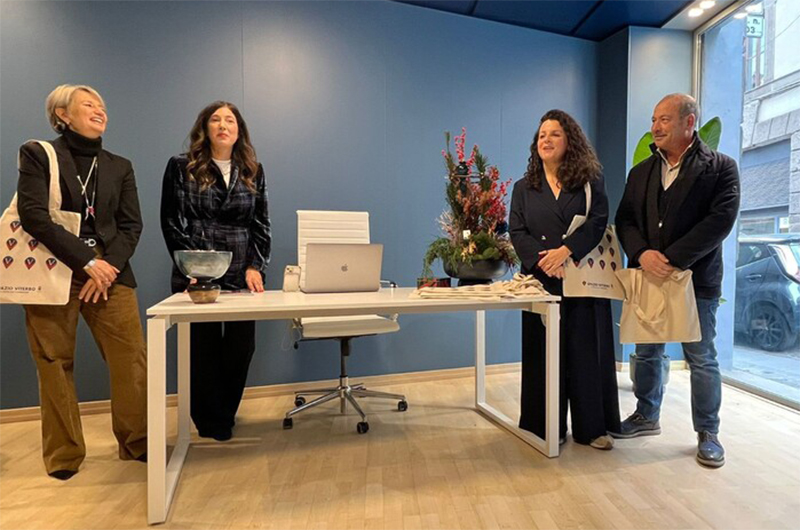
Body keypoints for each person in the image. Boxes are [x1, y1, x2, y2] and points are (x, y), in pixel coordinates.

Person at [17, 84, 147, 479]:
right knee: (54, 362)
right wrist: (85, 261)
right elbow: (33, 215)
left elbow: (131, 225)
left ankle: (137, 442)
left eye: (102, 105)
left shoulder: (119, 165)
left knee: (131, 359)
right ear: (63, 115)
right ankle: (64, 455)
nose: (99, 110)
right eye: (88, 104)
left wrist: (105, 266)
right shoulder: (39, 154)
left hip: (110, 274)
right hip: (54, 271)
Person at [613, 93, 740, 468]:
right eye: (654, 119)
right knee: (646, 352)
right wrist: (642, 254)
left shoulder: (721, 168)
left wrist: (671, 258)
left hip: (696, 280)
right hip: (648, 276)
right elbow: (625, 220)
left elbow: (720, 221)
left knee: (701, 358)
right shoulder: (640, 172)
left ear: (689, 122)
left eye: (664, 119)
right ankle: (646, 415)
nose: (655, 127)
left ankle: (708, 432)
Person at [510, 109, 620, 450]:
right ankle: (545, 427)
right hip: (540, 280)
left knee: (586, 353)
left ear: (569, 140)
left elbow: (598, 221)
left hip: (582, 276)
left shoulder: (590, 180)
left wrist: (566, 251)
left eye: (555, 134)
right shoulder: (523, 187)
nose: (547, 139)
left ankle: (592, 429)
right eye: (542, 135)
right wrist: (546, 261)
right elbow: (517, 231)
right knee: (541, 354)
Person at [161, 101, 271, 441]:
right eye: (215, 119)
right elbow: (170, 220)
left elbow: (261, 223)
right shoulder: (182, 166)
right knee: (202, 348)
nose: (223, 125)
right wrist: (189, 266)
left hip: (240, 267)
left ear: (239, 131)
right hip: (197, 268)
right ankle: (209, 421)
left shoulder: (253, 169)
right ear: (205, 128)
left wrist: (256, 265)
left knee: (241, 347)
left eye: (230, 120)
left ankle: (225, 412)